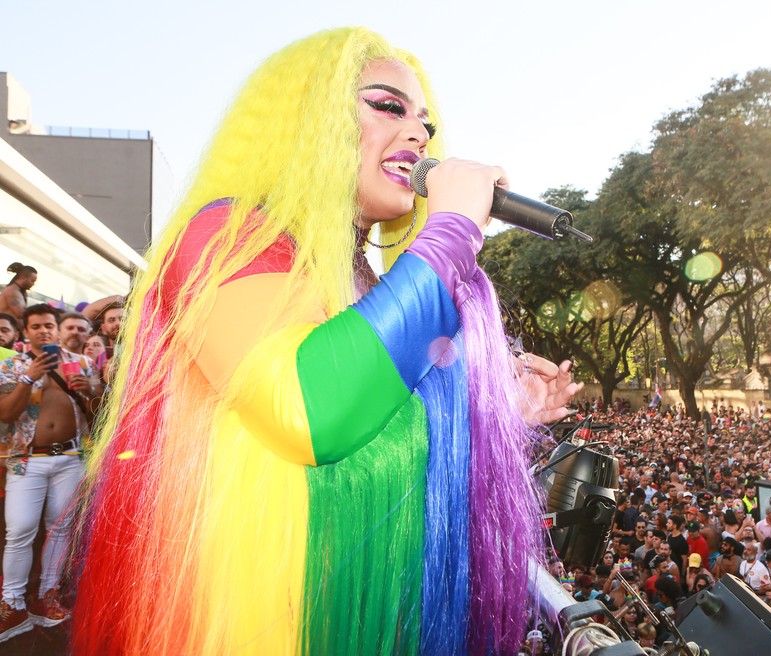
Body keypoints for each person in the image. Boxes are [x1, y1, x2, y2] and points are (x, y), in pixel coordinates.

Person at [70, 28, 580, 656]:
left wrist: (498, 408)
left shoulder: (373, 278)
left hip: (357, 610)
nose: (420, 136)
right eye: (389, 107)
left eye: (427, 122)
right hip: (259, 620)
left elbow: (383, 436)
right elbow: (309, 410)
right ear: (307, 121)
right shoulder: (229, 236)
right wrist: (449, 234)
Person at [0, 303, 103, 643]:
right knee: (20, 530)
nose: (43, 331)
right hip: (27, 459)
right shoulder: (11, 364)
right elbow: (5, 414)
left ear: (57, 329)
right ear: (25, 332)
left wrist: (91, 388)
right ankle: (12, 603)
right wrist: (29, 377)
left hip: (69, 456)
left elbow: (98, 412)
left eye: (49, 325)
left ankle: (47, 596)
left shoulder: (84, 363)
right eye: (36, 327)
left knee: (59, 529)